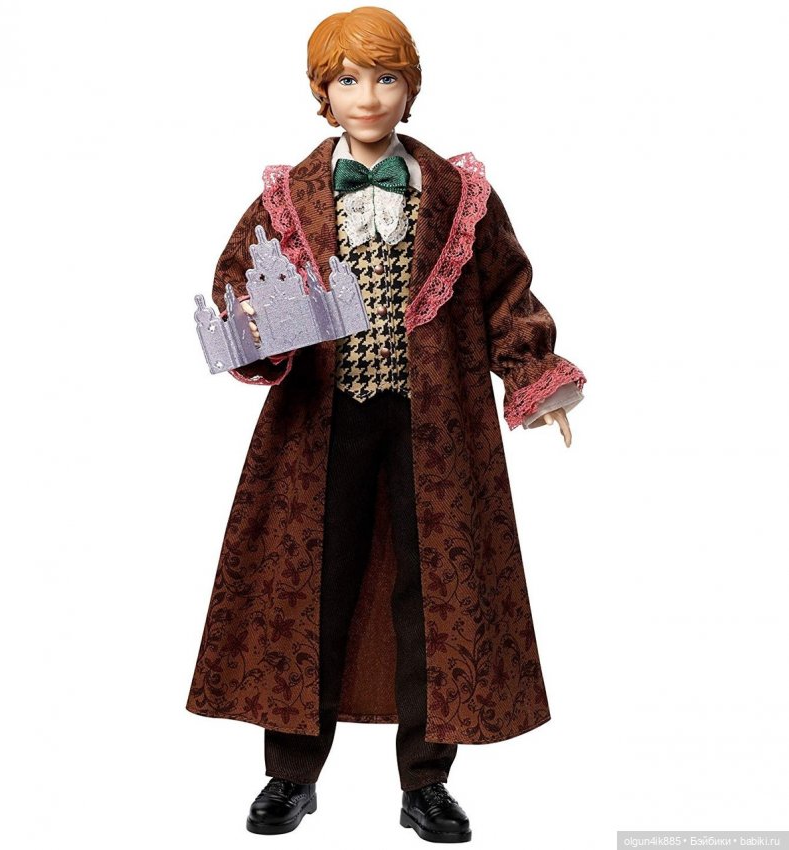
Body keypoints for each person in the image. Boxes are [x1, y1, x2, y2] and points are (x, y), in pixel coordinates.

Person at [186, 6, 586, 843]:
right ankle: (292, 773)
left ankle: (426, 781)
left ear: (410, 88)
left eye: (385, 77)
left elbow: (505, 290)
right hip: (318, 424)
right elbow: (241, 286)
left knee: (434, 590)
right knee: (308, 585)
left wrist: (535, 377)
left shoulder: (455, 193)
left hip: (434, 423)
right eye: (348, 80)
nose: (367, 96)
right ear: (323, 94)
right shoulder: (289, 198)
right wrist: (259, 328)